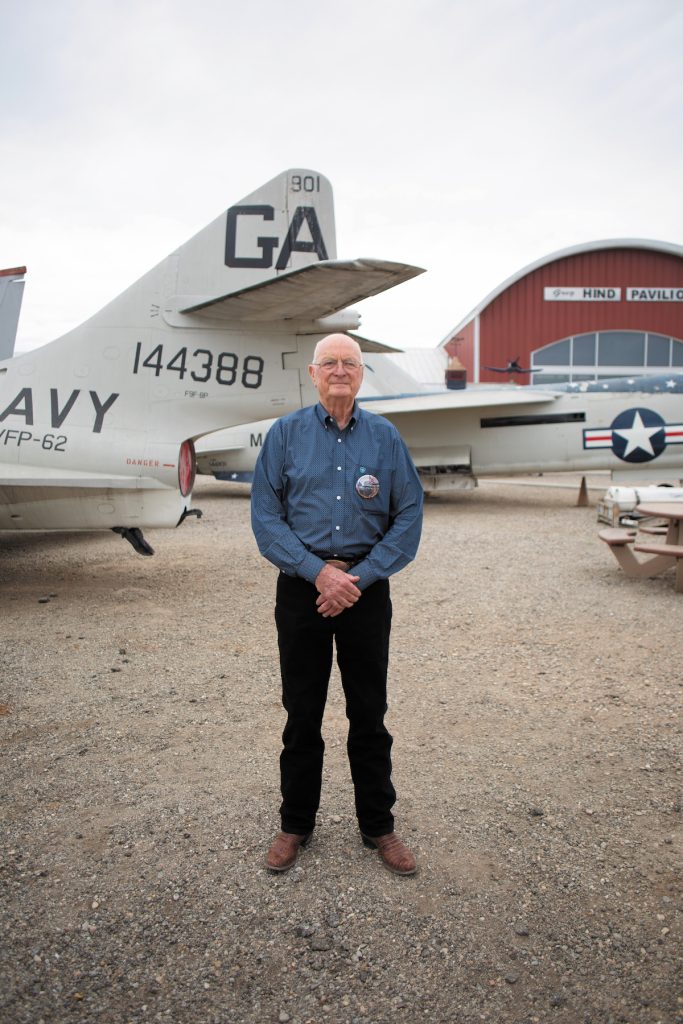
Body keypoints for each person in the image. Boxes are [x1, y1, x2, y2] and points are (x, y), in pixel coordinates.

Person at [251, 333, 423, 876]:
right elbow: (265, 517)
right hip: (302, 590)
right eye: (331, 363)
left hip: (365, 592)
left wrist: (359, 578)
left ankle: (379, 826)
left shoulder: (386, 437)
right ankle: (295, 823)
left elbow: (409, 517)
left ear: (362, 373)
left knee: (368, 713)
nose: (340, 371)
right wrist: (319, 574)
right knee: (302, 713)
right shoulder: (285, 435)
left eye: (350, 363)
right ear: (312, 372)